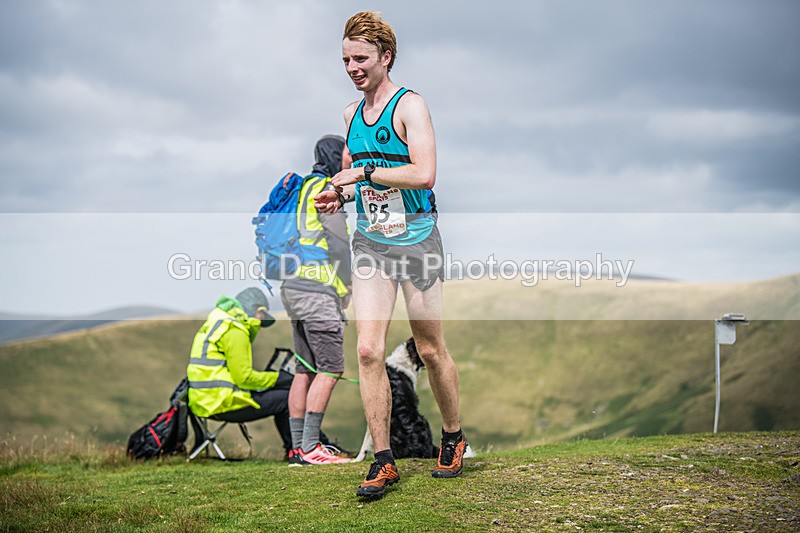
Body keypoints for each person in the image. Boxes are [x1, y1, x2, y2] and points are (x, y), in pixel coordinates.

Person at [315, 11, 466, 498]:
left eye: (361, 58)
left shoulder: (411, 106)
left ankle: (452, 436)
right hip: (373, 242)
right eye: (345, 59)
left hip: (417, 239)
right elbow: (355, 185)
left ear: (386, 56)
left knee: (428, 349)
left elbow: (425, 174)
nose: (352, 67)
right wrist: (339, 196)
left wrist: (364, 174)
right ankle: (383, 460)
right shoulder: (349, 115)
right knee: (367, 349)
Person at [282, 135, 353, 466]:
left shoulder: (300, 189)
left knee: (304, 369)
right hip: (317, 289)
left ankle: (297, 449)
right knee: (331, 368)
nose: (349, 159)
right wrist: (348, 284)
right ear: (334, 155)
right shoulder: (325, 187)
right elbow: (338, 244)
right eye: (346, 153)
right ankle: (311, 448)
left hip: (292, 287)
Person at [186, 287, 293, 456]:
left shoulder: (216, 324)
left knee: (280, 392)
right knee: (289, 398)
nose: (262, 319)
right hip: (223, 403)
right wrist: (280, 378)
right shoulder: (236, 331)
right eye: (261, 313)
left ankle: (302, 448)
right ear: (251, 308)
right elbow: (244, 377)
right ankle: (296, 451)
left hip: (202, 402)